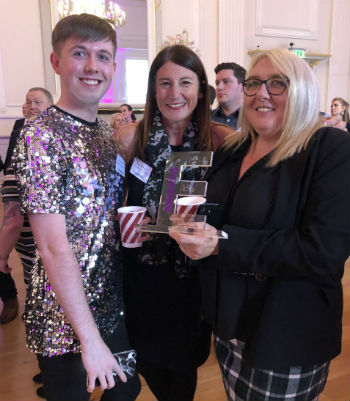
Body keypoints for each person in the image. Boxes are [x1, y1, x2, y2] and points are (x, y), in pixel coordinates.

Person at [170, 49, 350, 401]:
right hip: (229, 324)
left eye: (276, 83)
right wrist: (193, 222)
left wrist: (221, 242)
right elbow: (223, 214)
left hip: (284, 331)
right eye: (253, 83)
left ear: (301, 91)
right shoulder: (234, 147)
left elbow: (323, 251)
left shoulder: (329, 148)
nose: (260, 93)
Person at [12, 13, 140, 401]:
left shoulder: (104, 133)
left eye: (102, 56)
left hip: (109, 299)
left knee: (126, 391)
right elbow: (51, 246)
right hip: (63, 315)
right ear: (56, 62)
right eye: (79, 53)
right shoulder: (41, 135)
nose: (91, 67)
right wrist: (90, 340)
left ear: (113, 67)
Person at [116, 44, 233, 401]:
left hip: (192, 283)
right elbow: (112, 203)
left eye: (185, 82)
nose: (175, 93)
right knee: (148, 362)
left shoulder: (221, 141)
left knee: (184, 371)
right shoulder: (130, 138)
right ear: (153, 89)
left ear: (201, 89)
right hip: (141, 278)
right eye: (164, 83)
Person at [0, 88, 53, 326]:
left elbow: (13, 221)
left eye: (38, 102)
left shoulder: (20, 163)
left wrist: (1, 256)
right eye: (28, 102)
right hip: (53, 250)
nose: (31, 106)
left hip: (38, 250)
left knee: (42, 300)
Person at [211, 62, 246, 129]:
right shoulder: (206, 119)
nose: (219, 87)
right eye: (217, 83)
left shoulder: (253, 120)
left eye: (226, 82)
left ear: (242, 87)